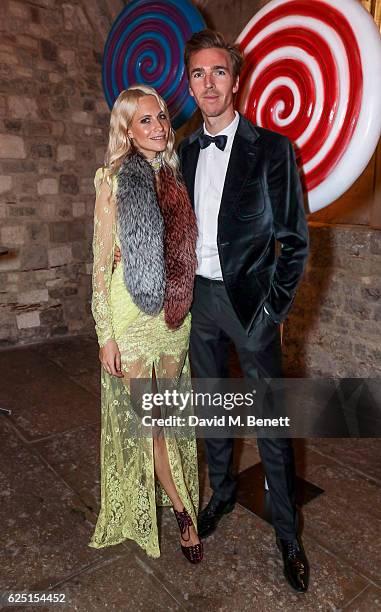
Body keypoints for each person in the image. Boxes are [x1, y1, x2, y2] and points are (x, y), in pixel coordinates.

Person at [179, 29, 310, 591]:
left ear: (237, 80)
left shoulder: (274, 149)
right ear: (190, 84)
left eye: (219, 72)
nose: (210, 83)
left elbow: (295, 242)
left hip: (251, 307)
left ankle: (287, 532)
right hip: (198, 302)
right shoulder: (183, 148)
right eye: (199, 74)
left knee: (272, 424)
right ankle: (222, 497)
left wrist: (272, 310)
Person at [88, 85, 203, 564]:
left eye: (160, 118)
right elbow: (99, 265)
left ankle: (172, 494)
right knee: (149, 421)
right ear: (128, 131)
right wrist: (105, 334)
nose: (158, 128)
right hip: (130, 315)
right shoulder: (112, 180)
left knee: (171, 418)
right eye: (146, 122)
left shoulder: (176, 176)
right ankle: (182, 511)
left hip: (174, 317)